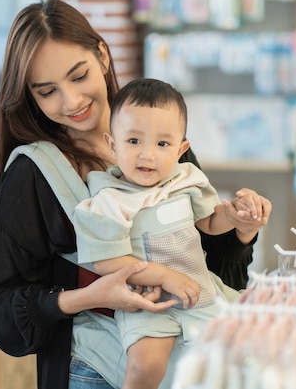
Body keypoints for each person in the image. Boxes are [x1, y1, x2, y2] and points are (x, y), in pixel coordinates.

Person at [0, 0, 270, 389]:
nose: (72, 101)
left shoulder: (157, 139)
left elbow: (214, 268)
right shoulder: (33, 174)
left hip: (187, 358)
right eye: (47, 91)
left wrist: (240, 227)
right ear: (30, 96)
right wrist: (89, 296)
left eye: (79, 76)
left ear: (102, 55)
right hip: (94, 371)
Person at [73, 78, 271, 389]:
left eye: (162, 144)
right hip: (149, 304)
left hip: (199, 296)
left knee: (234, 356)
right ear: (113, 145)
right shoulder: (107, 200)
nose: (147, 155)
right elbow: (107, 262)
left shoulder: (185, 181)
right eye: (134, 141)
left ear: (181, 150)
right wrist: (163, 276)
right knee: (146, 366)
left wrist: (232, 216)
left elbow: (208, 223)